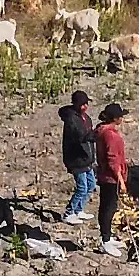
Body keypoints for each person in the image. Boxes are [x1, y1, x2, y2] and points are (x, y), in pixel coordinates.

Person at [95, 102, 130, 258]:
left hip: (106, 176)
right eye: (120, 116)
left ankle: (107, 236)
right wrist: (121, 181)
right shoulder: (111, 136)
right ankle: (105, 241)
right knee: (108, 208)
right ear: (115, 118)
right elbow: (113, 161)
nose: (122, 118)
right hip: (110, 178)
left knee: (109, 207)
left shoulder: (103, 131)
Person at [58, 91, 95, 225]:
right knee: (82, 188)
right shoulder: (71, 120)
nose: (86, 106)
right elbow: (78, 137)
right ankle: (68, 213)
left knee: (91, 185)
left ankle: (79, 210)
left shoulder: (84, 117)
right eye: (84, 104)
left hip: (87, 158)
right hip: (76, 159)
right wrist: (92, 136)